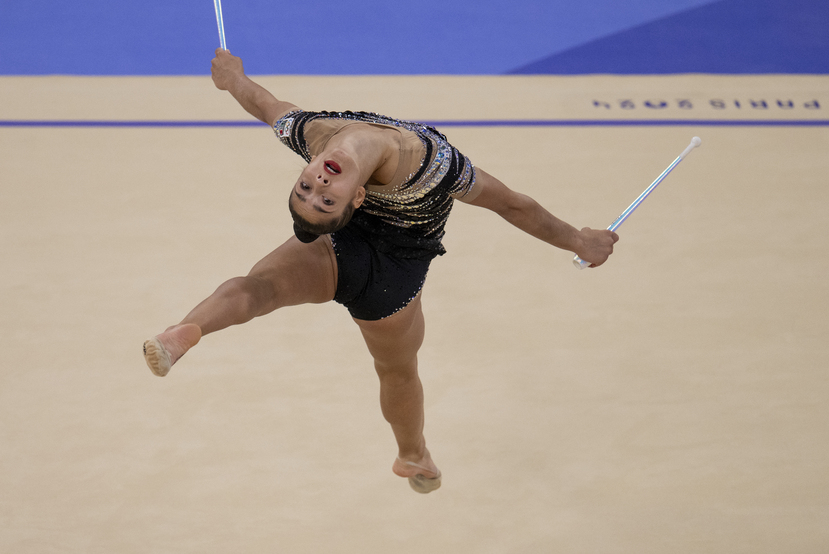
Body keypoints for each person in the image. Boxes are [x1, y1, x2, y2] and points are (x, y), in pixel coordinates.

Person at [143, 49, 618, 493]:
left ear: (349, 192)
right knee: (376, 356)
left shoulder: (321, 137)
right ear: (355, 199)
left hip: (366, 265)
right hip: (377, 271)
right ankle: (187, 332)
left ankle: (411, 452)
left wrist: (235, 80)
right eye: (319, 195)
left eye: (312, 190)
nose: (319, 183)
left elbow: (267, 105)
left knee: (298, 309)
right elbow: (514, 206)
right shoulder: (431, 165)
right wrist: (579, 240)